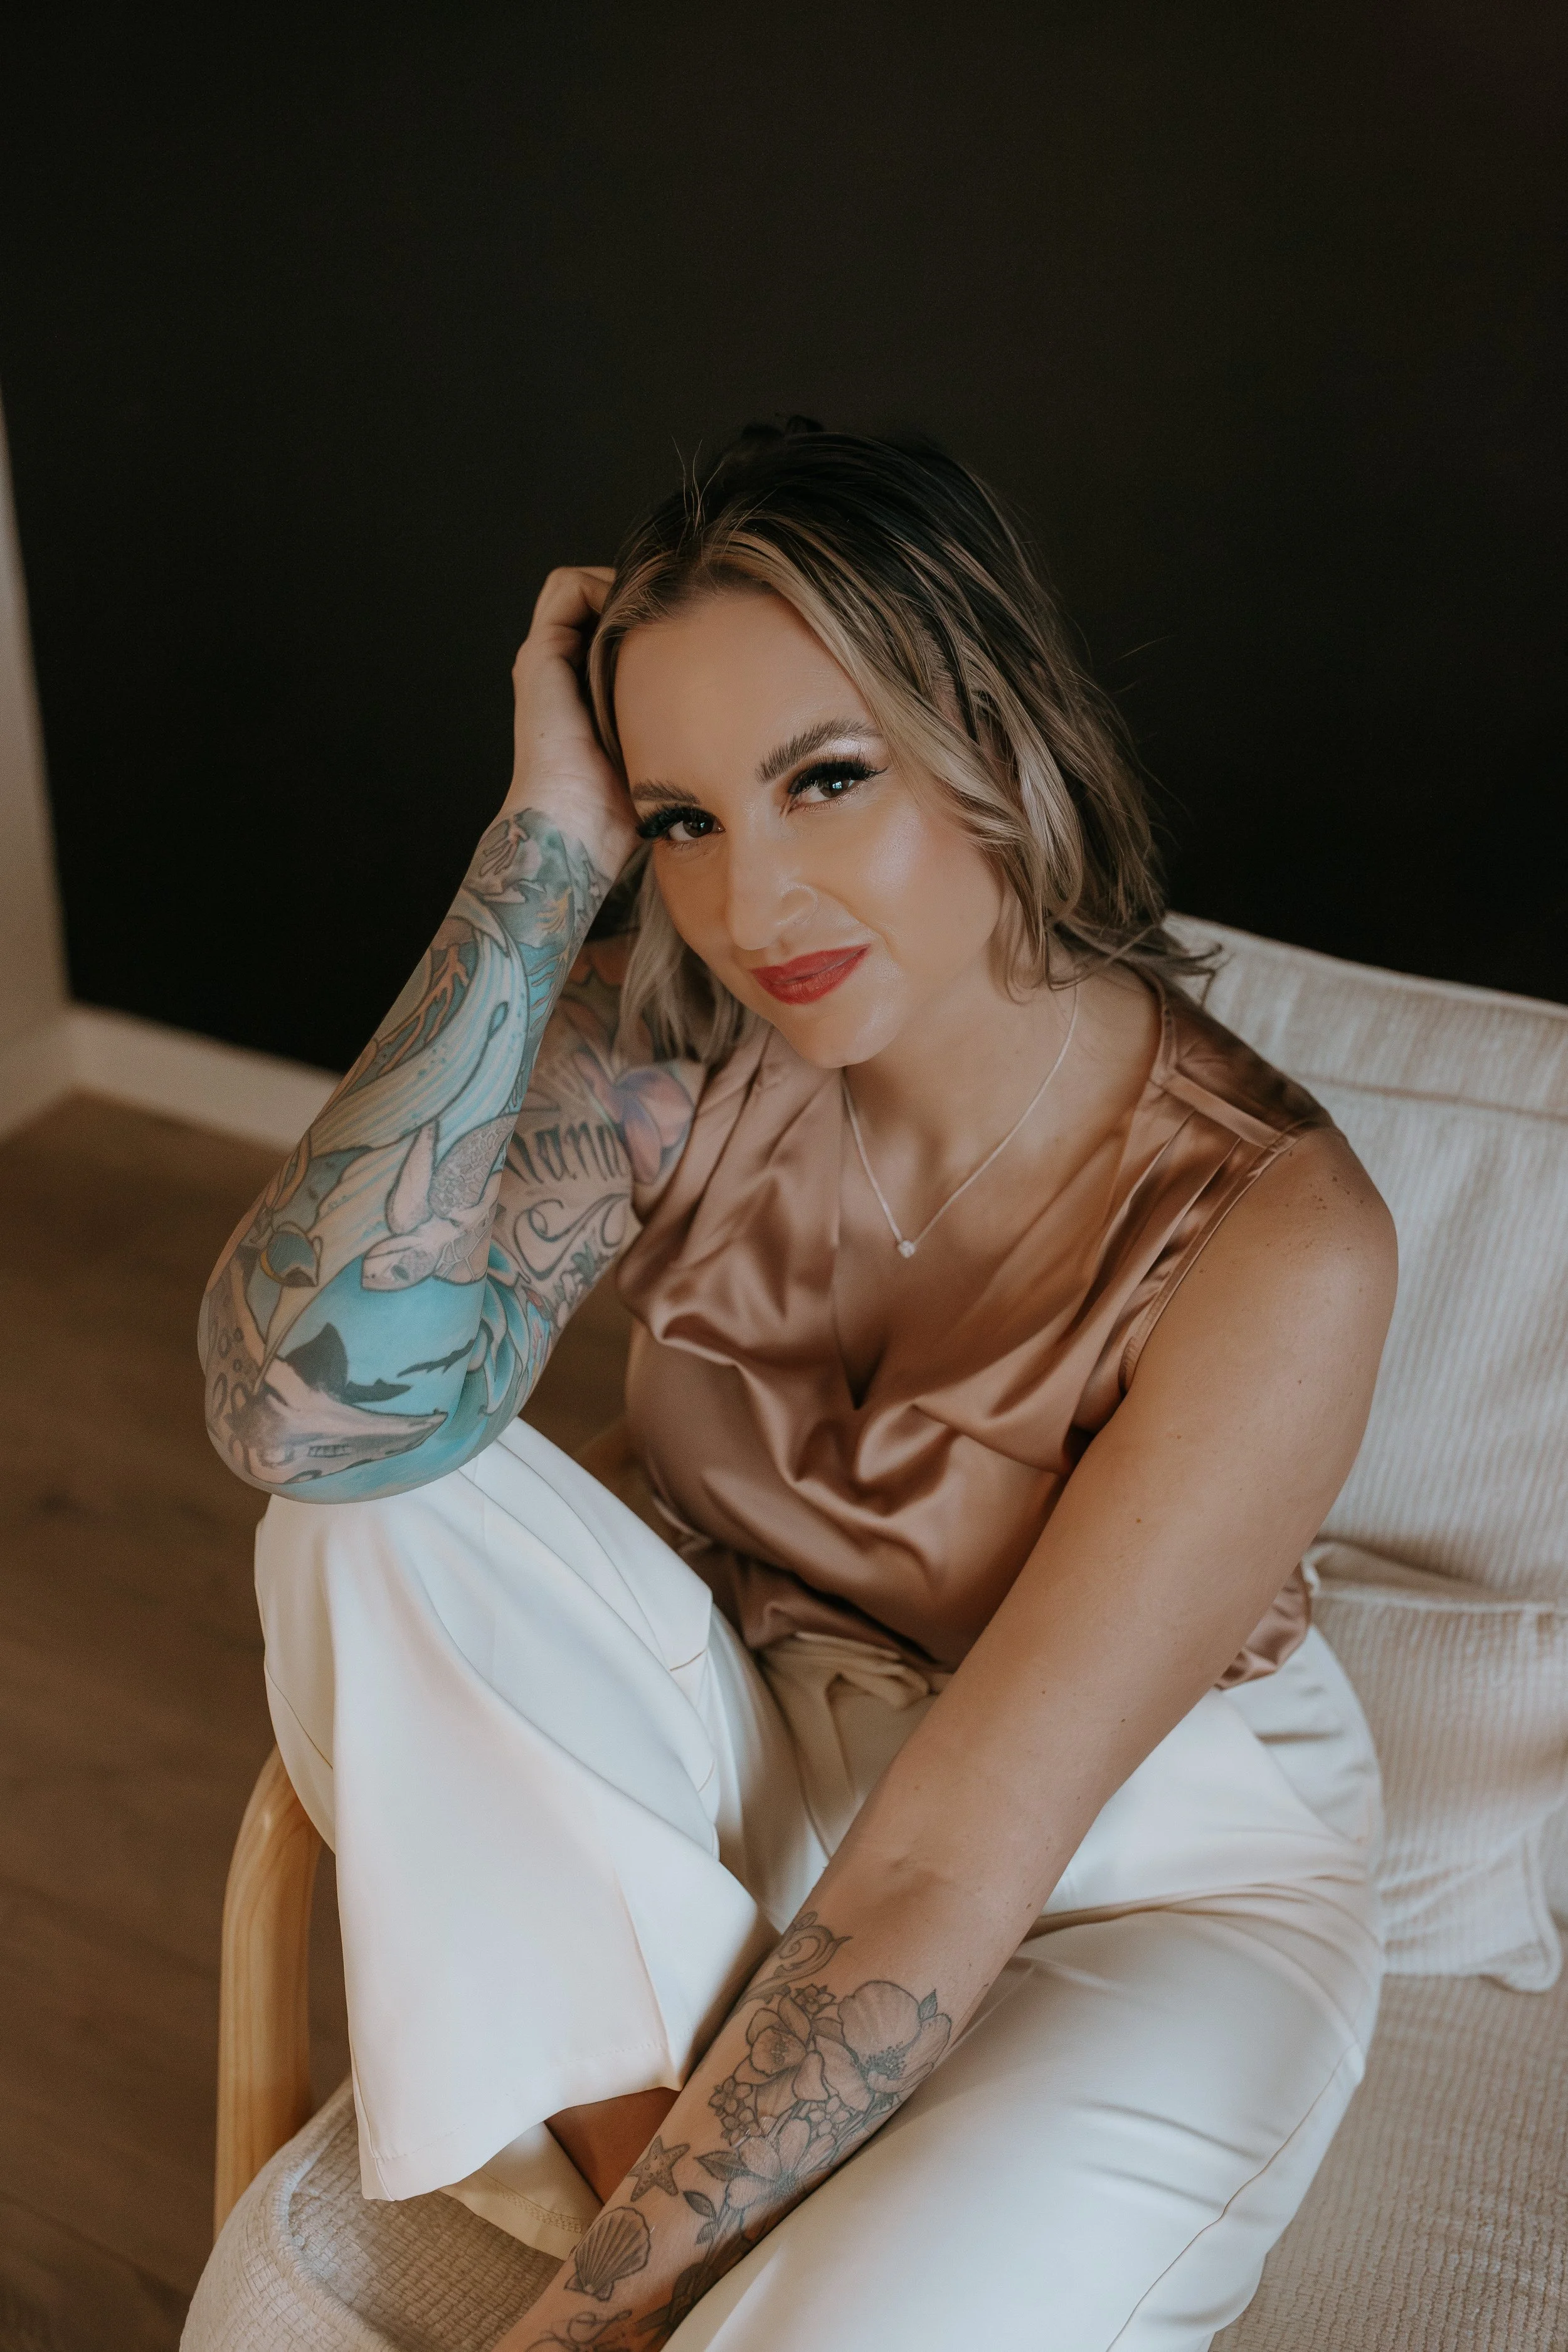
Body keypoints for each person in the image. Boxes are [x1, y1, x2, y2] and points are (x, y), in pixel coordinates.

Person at [199, 423, 1395, 2351]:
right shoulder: (674, 1047)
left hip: (1135, 1872)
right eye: (682, 818)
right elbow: (294, 1409)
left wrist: (559, 2326)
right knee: (358, 1508)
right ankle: (664, 2226)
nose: (754, 905)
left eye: (824, 779)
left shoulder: (1278, 1230)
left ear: (994, 735)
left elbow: (945, 1861)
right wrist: (543, 848)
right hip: (765, 1753)